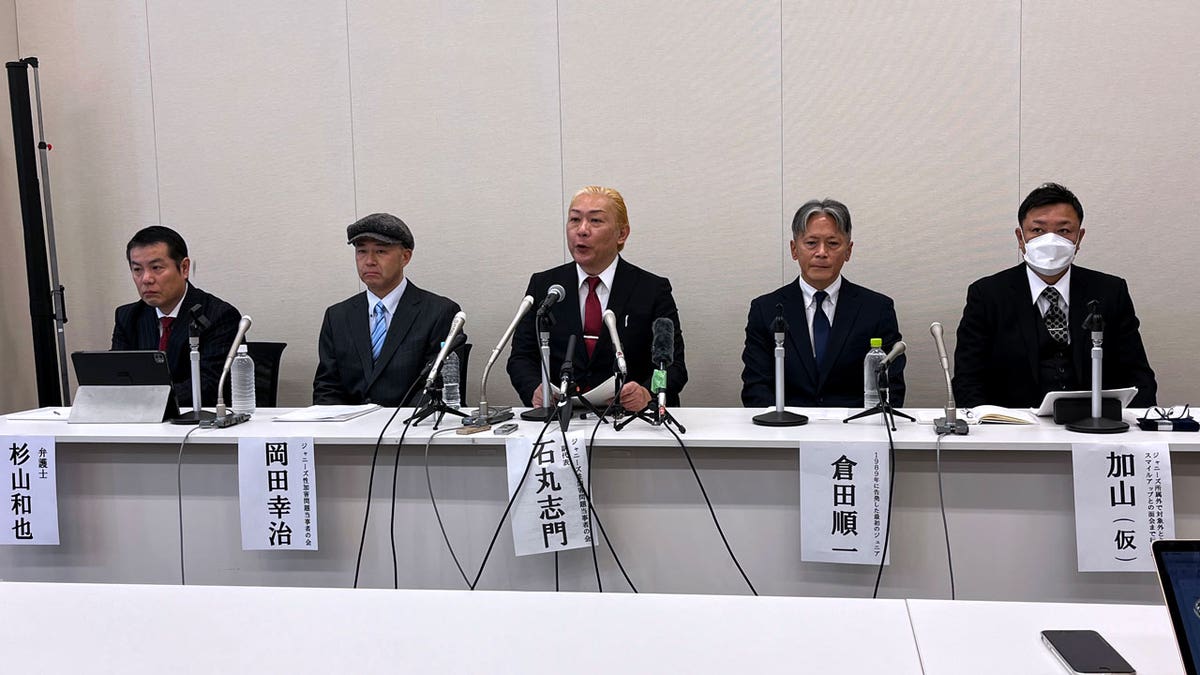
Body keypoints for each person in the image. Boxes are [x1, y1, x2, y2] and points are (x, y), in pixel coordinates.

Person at [952, 182, 1157, 408]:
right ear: (1021, 238)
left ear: (1079, 238)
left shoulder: (1110, 291)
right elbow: (968, 380)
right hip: (1014, 431)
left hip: (1094, 426)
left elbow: (1138, 376)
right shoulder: (988, 295)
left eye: (1064, 231)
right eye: (1038, 230)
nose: (1050, 241)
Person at [507, 185, 687, 411]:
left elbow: (673, 367)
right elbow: (521, 358)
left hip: (628, 420)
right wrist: (535, 388)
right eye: (574, 220)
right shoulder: (545, 286)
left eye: (595, 221)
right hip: (561, 419)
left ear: (621, 234)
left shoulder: (651, 289)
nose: (581, 230)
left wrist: (647, 392)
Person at [741, 199, 904, 408]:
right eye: (811, 243)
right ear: (794, 249)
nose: (821, 252)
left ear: (848, 250)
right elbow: (755, 389)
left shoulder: (877, 310)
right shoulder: (765, 309)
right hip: (786, 431)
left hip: (856, 432)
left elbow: (892, 389)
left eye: (833, 243)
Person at [313, 213, 462, 407]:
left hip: (408, 429)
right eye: (361, 251)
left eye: (381, 251)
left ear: (405, 257)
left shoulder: (440, 312)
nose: (369, 261)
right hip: (349, 432)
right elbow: (327, 387)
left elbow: (435, 387)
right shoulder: (338, 316)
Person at [112, 225, 241, 407]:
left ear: (184, 268)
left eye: (156, 267)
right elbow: (117, 377)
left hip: (198, 425)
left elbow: (210, 386)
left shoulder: (218, 316)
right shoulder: (128, 317)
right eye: (137, 270)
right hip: (140, 422)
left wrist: (146, 399)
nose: (146, 278)